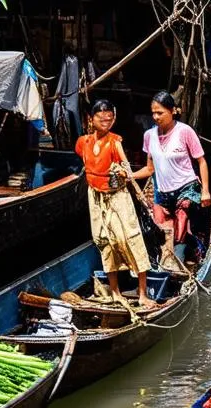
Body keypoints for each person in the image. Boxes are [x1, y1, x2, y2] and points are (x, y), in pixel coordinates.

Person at [75, 99, 155, 308]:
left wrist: (123, 173)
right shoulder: (83, 142)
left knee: (130, 237)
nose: (106, 123)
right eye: (101, 119)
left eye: (109, 120)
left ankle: (143, 293)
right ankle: (115, 292)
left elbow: (126, 169)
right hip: (96, 197)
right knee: (105, 241)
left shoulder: (114, 142)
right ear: (90, 120)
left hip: (118, 197)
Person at [134, 91, 211, 264]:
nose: (156, 117)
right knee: (161, 234)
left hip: (186, 187)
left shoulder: (185, 132)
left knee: (180, 228)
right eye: (153, 113)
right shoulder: (149, 136)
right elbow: (149, 169)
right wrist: (128, 175)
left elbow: (202, 162)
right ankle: (190, 247)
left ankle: (187, 256)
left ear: (173, 111)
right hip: (162, 192)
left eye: (160, 112)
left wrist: (205, 191)